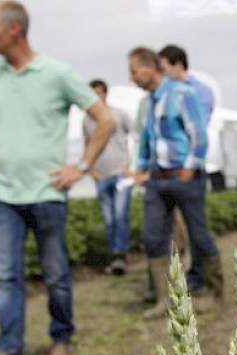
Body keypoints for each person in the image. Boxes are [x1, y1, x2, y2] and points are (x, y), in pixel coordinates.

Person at [0, 1, 114, 355]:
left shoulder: (57, 74)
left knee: (56, 273)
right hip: (2, 195)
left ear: (15, 30)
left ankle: (62, 340)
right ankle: (8, 353)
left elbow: (104, 119)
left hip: (46, 192)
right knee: (6, 275)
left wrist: (82, 166)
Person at [128, 46, 224, 319]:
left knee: (198, 234)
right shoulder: (149, 103)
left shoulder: (183, 94)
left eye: (134, 71)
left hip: (184, 176)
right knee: (152, 236)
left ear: (150, 68)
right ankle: (164, 299)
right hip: (158, 180)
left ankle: (215, 294)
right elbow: (148, 140)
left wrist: (190, 167)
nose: (132, 77)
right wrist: (141, 169)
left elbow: (199, 136)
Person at [159, 44, 212, 290]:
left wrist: (190, 166)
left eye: (164, 67)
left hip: (190, 169)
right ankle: (183, 275)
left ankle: (204, 277)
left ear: (177, 64)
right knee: (175, 229)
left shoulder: (199, 91)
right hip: (169, 171)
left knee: (196, 228)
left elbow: (198, 130)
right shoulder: (164, 92)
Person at [85, 79, 134, 275]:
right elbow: (87, 145)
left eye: (99, 93)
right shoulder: (87, 120)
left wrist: (130, 166)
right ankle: (115, 256)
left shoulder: (119, 114)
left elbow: (135, 136)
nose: (96, 97)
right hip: (101, 175)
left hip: (121, 173)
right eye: (93, 94)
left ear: (106, 93)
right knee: (109, 219)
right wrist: (90, 169)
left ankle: (120, 256)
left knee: (120, 215)